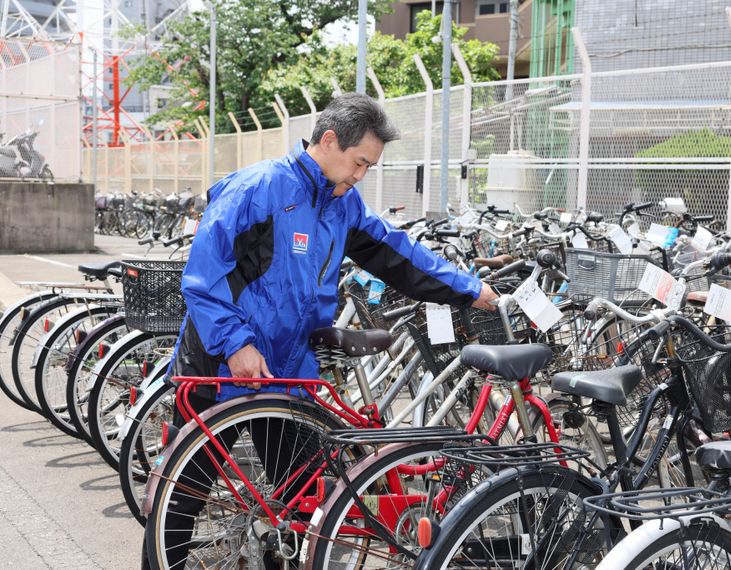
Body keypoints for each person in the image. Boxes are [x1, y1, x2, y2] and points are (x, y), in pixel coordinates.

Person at [143, 92, 497, 569]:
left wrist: (469, 290)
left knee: (305, 505)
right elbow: (202, 277)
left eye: (369, 167)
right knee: (182, 497)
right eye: (359, 162)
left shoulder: (341, 204)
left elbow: (397, 253)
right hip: (220, 361)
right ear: (329, 140)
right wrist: (235, 342)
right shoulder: (260, 188)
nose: (361, 175)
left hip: (289, 373)